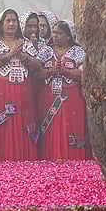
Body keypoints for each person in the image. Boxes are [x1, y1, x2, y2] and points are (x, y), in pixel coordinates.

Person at [0, 9, 41, 161]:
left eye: (14, 21)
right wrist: (9, 55)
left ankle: (24, 160)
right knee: (2, 124)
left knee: (23, 123)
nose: (11, 24)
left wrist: (21, 55)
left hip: (22, 89)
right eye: (7, 21)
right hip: (1, 89)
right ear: (1, 24)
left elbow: (37, 65)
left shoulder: (26, 43)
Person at [35, 20, 88, 160]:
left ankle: (74, 164)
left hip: (71, 96)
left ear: (69, 36)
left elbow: (84, 75)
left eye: (60, 33)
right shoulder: (45, 50)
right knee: (49, 130)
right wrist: (51, 71)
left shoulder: (78, 51)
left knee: (70, 129)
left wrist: (66, 72)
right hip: (48, 96)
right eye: (54, 32)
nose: (55, 35)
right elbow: (35, 73)